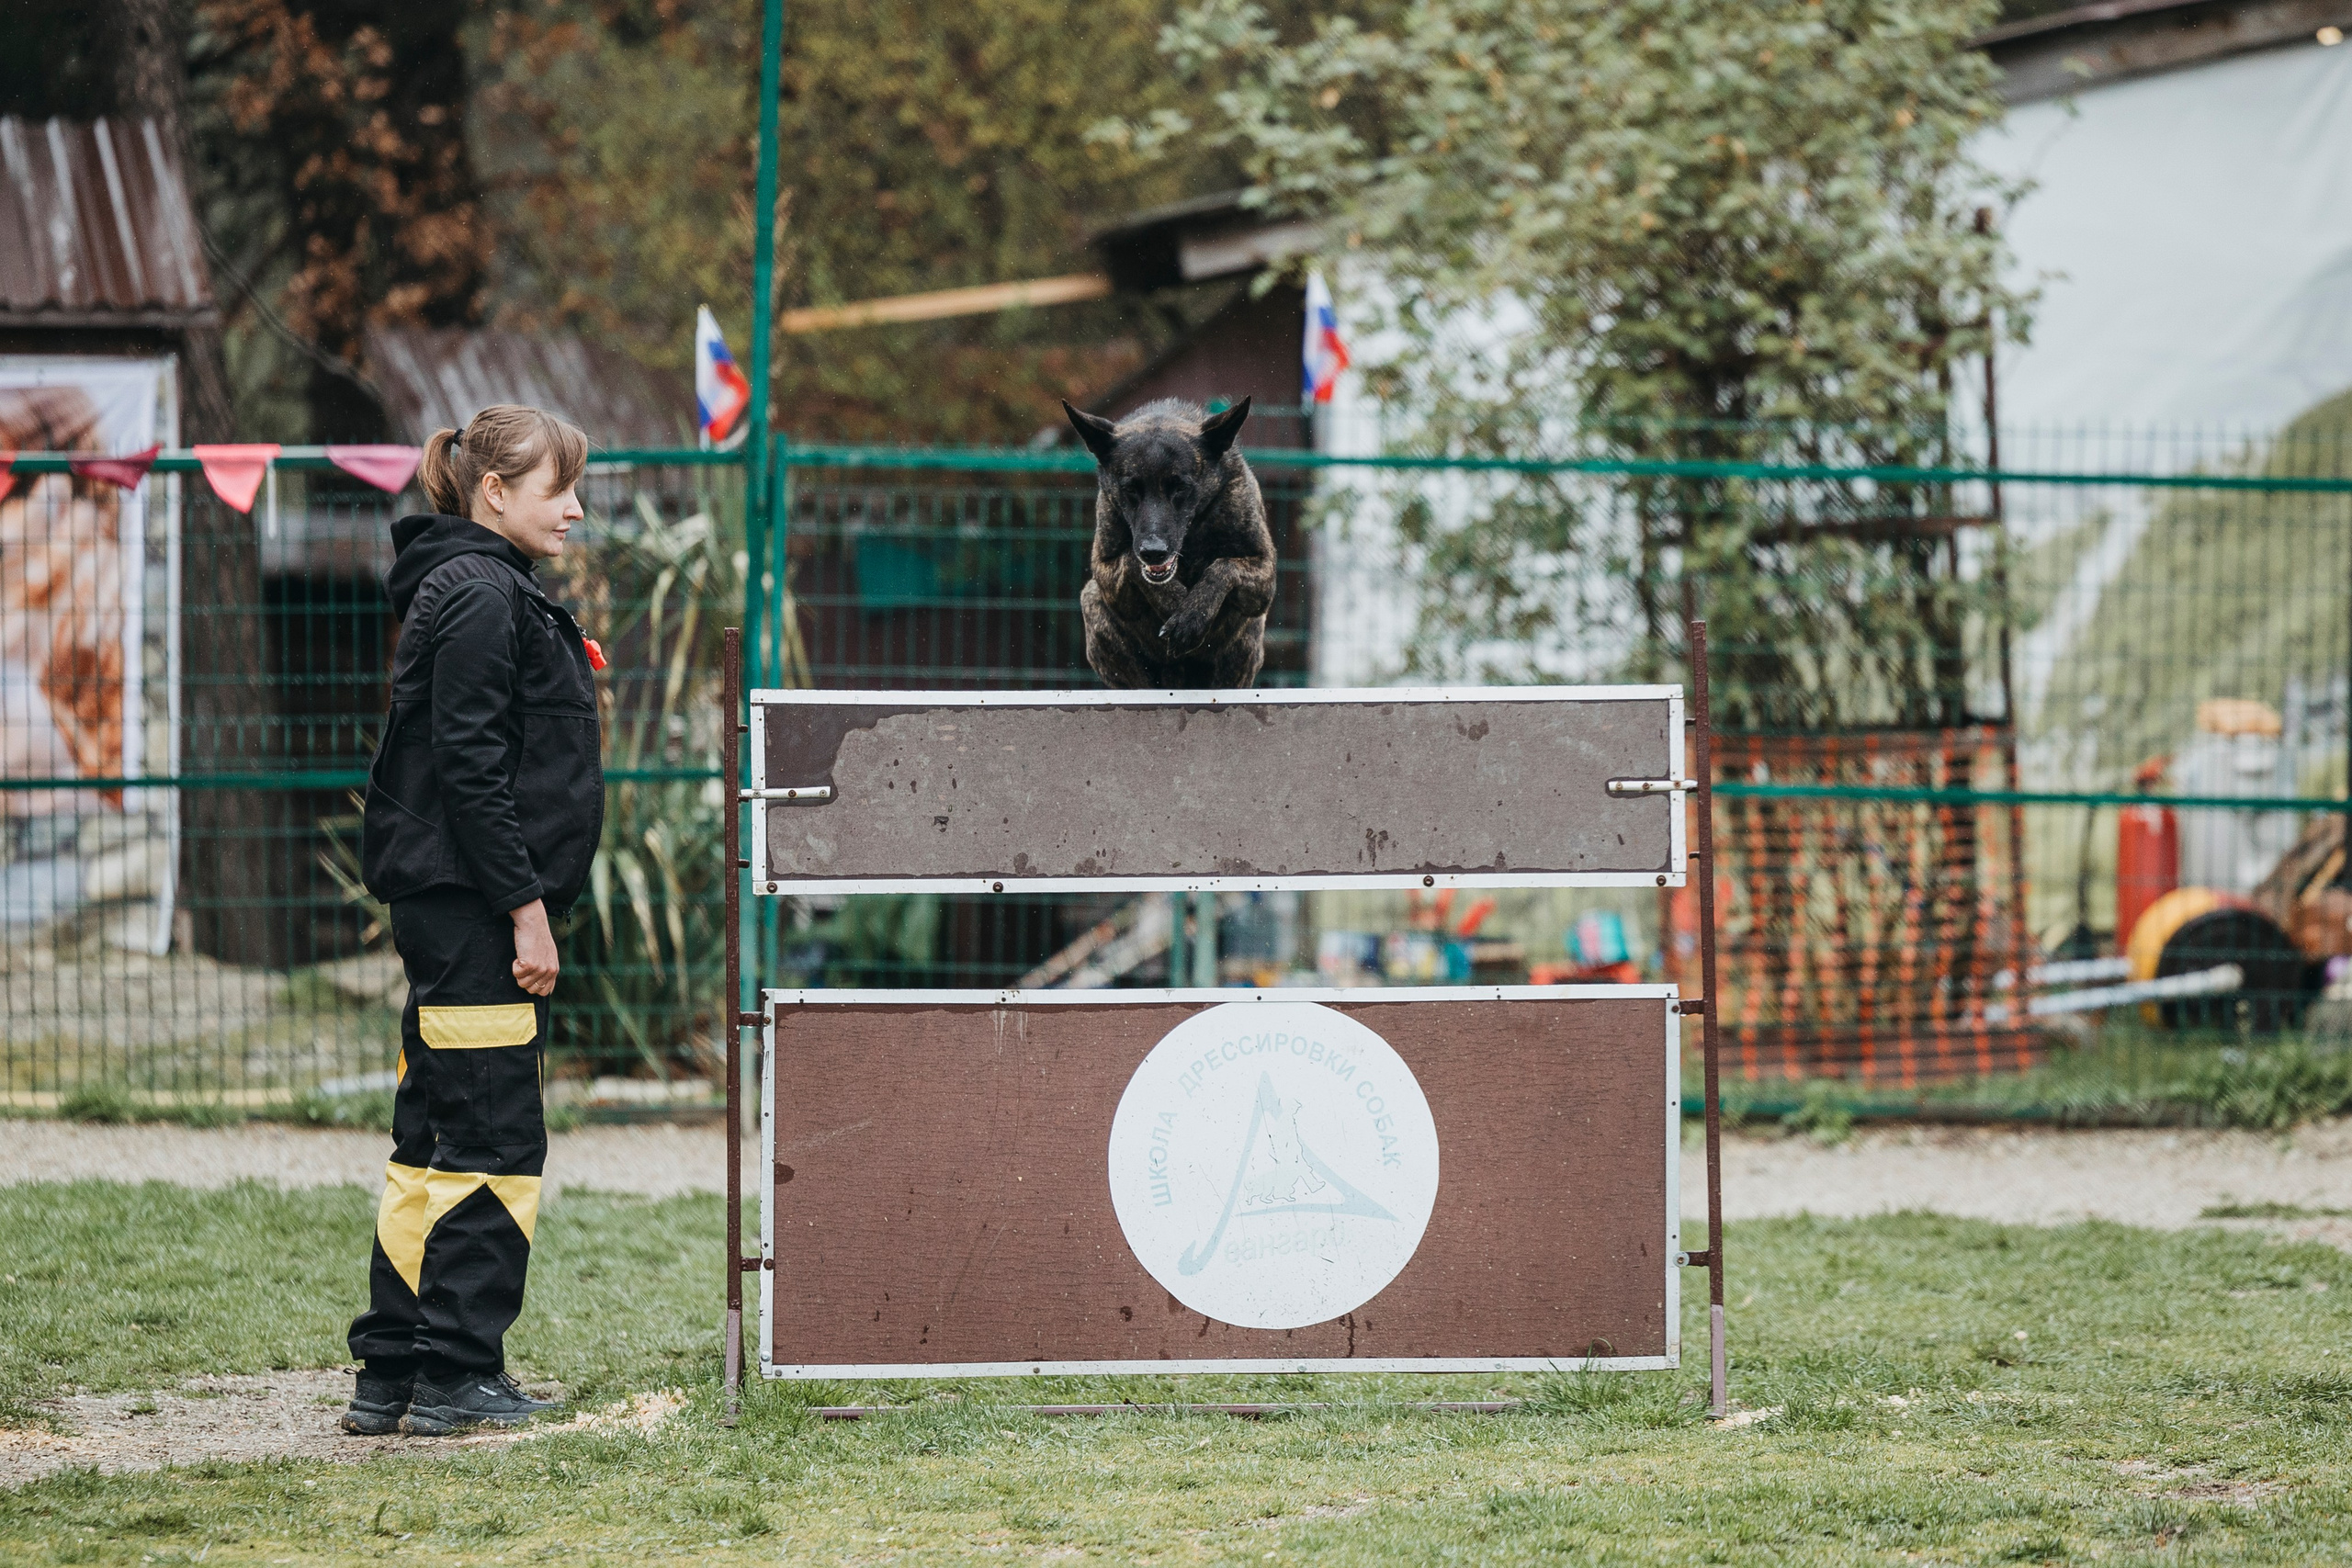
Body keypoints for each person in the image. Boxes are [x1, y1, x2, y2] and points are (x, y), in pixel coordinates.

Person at [342, 405, 604, 1436]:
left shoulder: (469, 589)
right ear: (495, 492)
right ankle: (455, 1373)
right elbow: (471, 775)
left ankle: (392, 1374)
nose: (576, 508)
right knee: (493, 1138)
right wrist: (525, 913)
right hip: (474, 917)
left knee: (433, 1140)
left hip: (450, 910)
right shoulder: (483, 597)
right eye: (556, 488)